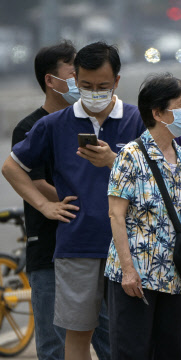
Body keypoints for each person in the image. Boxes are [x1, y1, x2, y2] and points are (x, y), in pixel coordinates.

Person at [2, 42, 146, 360]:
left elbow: (156, 179)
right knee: (76, 336)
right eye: (86, 86)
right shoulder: (53, 125)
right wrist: (44, 206)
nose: (95, 93)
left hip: (130, 250)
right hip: (76, 247)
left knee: (129, 338)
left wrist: (113, 160)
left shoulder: (136, 120)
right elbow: (11, 167)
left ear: (117, 82)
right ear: (75, 80)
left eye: (103, 87)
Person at [10, 41, 110, 360]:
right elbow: (32, 178)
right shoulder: (30, 127)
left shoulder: (88, 122)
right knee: (55, 342)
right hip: (50, 247)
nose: (80, 80)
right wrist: (69, 202)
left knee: (111, 336)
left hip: (94, 244)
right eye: (73, 73)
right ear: (52, 81)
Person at [106, 73, 181, 359]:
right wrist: (127, 270)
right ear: (158, 113)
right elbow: (116, 215)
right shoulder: (131, 156)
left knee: (170, 352)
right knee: (132, 352)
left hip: (175, 276)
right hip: (136, 277)